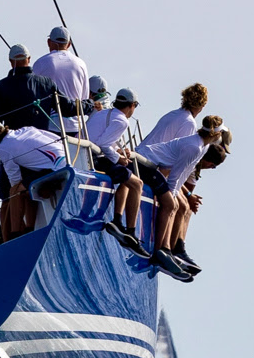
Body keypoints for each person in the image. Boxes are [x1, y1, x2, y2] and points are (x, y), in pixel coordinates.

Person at [135, 119, 226, 277]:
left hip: (155, 166)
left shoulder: (202, 147)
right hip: (146, 162)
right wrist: (171, 196)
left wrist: (174, 195)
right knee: (171, 204)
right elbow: (175, 175)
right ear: (215, 134)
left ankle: (166, 251)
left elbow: (183, 174)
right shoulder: (194, 146)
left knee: (174, 205)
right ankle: (159, 253)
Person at [84, 88, 146, 252]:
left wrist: (119, 151)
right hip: (96, 160)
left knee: (128, 176)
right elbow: (103, 144)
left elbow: (103, 139)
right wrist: (119, 158)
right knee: (137, 184)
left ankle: (118, 220)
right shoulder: (122, 121)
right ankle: (130, 232)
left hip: (85, 155)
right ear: (132, 105)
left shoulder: (104, 113)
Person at [0, 124, 65, 240]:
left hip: (54, 169)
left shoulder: (3, 148)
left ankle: (16, 234)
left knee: (15, 191)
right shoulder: (26, 129)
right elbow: (56, 138)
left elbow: (14, 178)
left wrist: (17, 190)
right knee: (26, 188)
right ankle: (29, 229)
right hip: (64, 160)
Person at [30, 26, 89, 132]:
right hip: (76, 126)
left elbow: (33, 96)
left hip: (51, 125)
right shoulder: (81, 64)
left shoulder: (41, 63)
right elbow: (85, 96)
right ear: (69, 44)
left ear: (49, 42)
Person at [0, 45, 50, 129]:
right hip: (43, 136)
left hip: (15, 136)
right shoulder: (47, 83)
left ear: (11, 61)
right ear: (29, 59)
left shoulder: (1, 86)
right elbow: (65, 108)